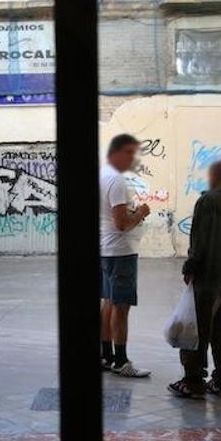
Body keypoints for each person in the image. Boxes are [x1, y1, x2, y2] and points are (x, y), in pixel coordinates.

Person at [168, 158, 221, 398]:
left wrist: (190, 267)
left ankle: (193, 381)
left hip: (209, 275)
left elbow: (199, 240)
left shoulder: (207, 201)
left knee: (197, 327)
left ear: (213, 177)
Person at [99, 134, 151, 378]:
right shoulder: (117, 181)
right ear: (117, 153)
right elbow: (121, 223)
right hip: (121, 252)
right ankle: (121, 361)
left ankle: (106, 356)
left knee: (109, 302)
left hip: (106, 250)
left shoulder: (102, 175)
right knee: (121, 307)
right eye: (130, 152)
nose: (133, 158)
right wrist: (140, 212)